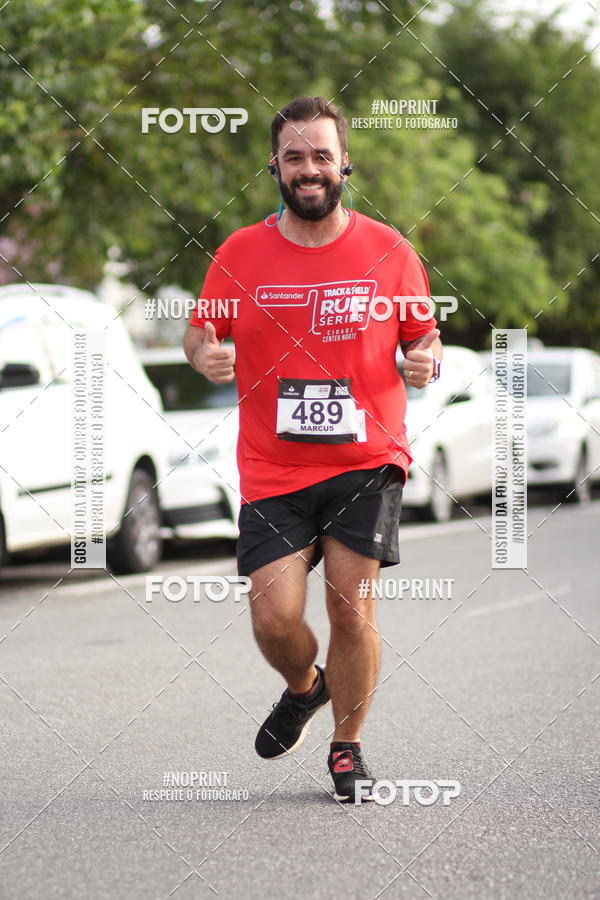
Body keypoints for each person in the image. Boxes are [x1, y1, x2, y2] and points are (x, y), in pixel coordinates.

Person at [183, 96, 443, 803]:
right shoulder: (240, 253)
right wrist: (204, 354)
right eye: (294, 156)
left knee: (352, 609)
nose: (308, 168)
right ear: (274, 165)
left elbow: (423, 335)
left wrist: (425, 360)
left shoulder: (389, 249)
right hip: (274, 467)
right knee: (273, 617)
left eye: (321, 155)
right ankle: (306, 687)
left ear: (344, 164)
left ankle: (346, 748)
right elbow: (202, 331)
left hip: (367, 460)